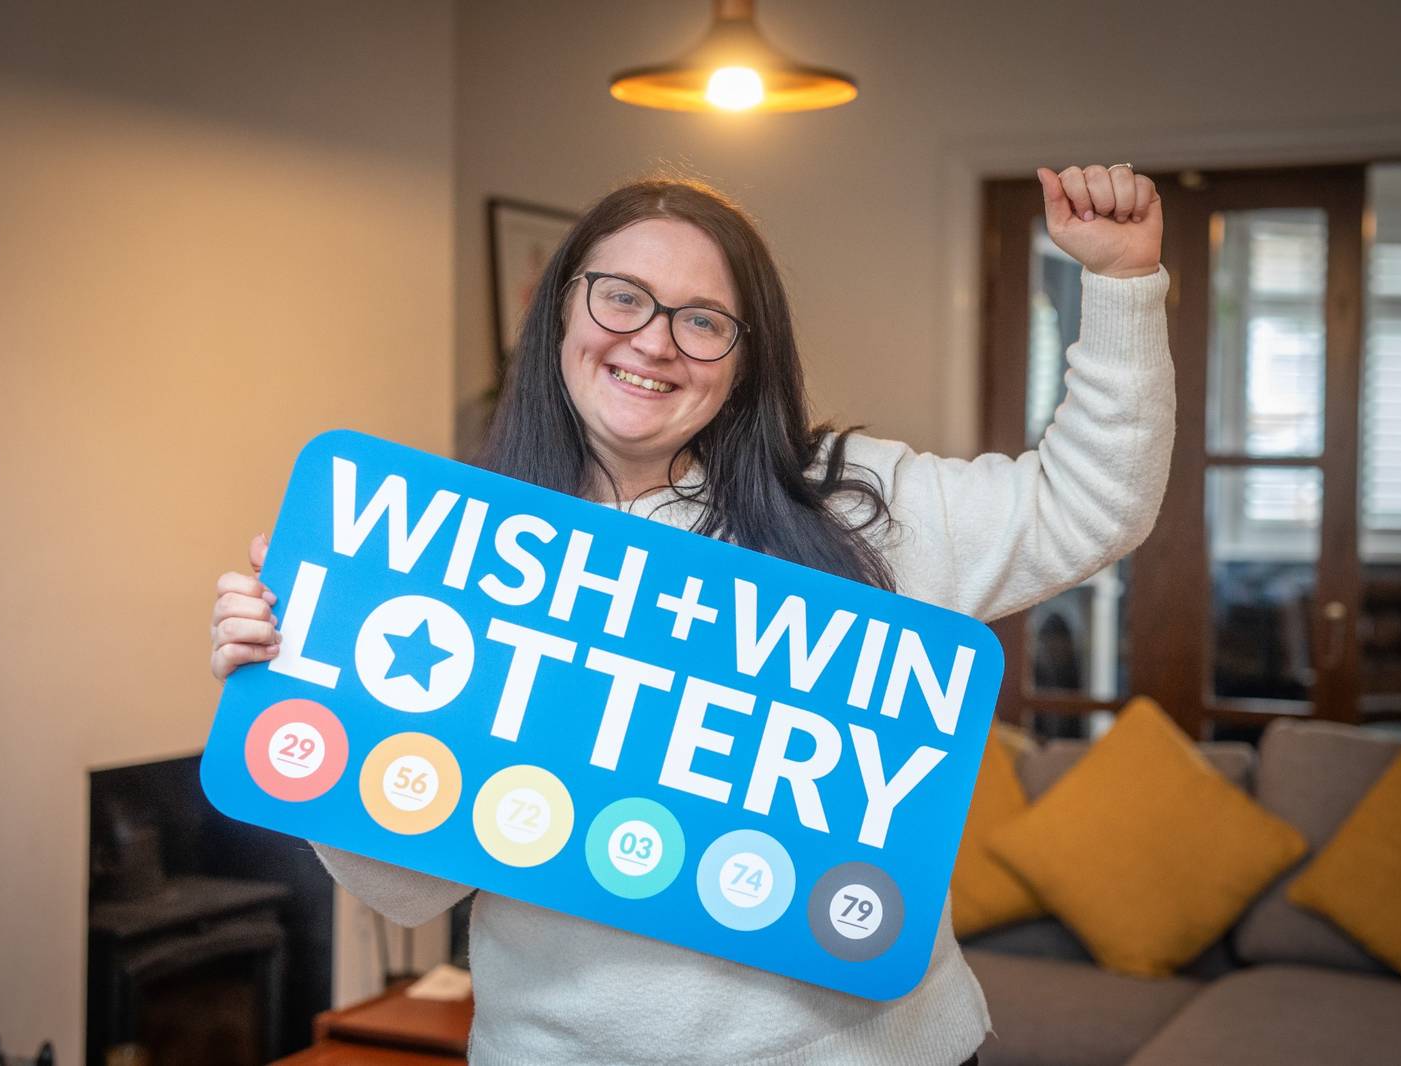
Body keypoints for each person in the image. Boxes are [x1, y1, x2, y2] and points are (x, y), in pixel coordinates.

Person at [208, 164, 1174, 1066]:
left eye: (704, 320)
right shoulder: (446, 544)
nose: (654, 341)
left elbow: (1090, 506)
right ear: (561, 311)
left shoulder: (856, 505)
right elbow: (407, 887)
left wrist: (1124, 285)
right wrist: (305, 678)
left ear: (746, 361)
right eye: (621, 296)